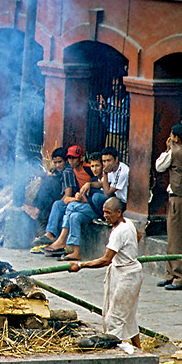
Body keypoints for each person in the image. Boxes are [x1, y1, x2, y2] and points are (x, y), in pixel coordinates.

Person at [69, 197, 143, 350]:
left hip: (126, 275)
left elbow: (105, 260)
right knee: (128, 316)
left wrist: (81, 265)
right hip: (126, 271)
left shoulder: (119, 231)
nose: (105, 216)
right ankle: (140, 349)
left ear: (118, 212)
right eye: (104, 212)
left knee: (114, 319)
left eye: (108, 213)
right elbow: (138, 236)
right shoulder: (128, 223)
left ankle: (114, 352)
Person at [154, 124, 182, 290]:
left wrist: (167, 149)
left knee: (177, 239)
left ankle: (180, 277)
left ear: (176, 138)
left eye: (172, 136)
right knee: (173, 237)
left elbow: (159, 166)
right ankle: (171, 274)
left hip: (177, 198)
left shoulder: (174, 152)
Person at [42, 152, 105, 260]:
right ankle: (75, 251)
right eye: (93, 166)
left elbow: (94, 200)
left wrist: (78, 199)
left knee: (71, 206)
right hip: (88, 210)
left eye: (97, 166)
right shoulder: (94, 179)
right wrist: (79, 196)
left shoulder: (105, 179)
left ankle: (61, 240)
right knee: (74, 216)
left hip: (99, 211)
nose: (94, 169)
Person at [30, 147, 76, 250]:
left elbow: (67, 194)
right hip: (59, 197)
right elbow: (47, 174)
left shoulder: (67, 172)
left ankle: (36, 210)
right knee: (46, 210)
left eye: (60, 162)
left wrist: (58, 206)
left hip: (68, 200)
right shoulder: (59, 170)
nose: (57, 165)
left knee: (49, 185)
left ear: (66, 160)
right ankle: (44, 237)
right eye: (55, 163)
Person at [89, 146, 129, 217]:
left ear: (116, 159)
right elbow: (101, 184)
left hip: (122, 202)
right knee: (89, 191)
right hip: (114, 197)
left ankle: (105, 217)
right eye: (104, 161)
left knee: (97, 197)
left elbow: (107, 193)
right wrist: (88, 185)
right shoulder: (111, 169)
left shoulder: (122, 171)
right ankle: (101, 217)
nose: (106, 164)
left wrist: (104, 173)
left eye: (108, 160)